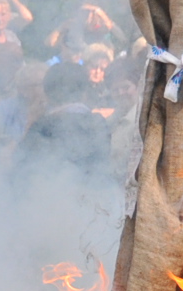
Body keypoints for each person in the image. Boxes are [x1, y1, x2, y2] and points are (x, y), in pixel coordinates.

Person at [8, 61, 112, 197]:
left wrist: (31, 122)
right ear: (84, 92)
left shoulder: (42, 127)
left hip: (50, 205)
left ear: (46, 93)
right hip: (92, 204)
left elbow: (20, 166)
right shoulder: (98, 123)